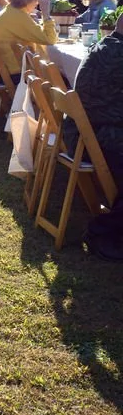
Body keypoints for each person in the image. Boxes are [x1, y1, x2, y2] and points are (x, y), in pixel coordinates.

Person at [62, 13, 123, 260]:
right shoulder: (117, 55)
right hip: (95, 138)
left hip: (84, 133)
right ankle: (103, 231)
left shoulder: (107, 45)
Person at [0, 0, 58, 80]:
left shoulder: (10, 11)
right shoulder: (18, 16)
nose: (38, 2)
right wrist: (45, 13)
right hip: (11, 74)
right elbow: (50, 39)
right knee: (59, 76)